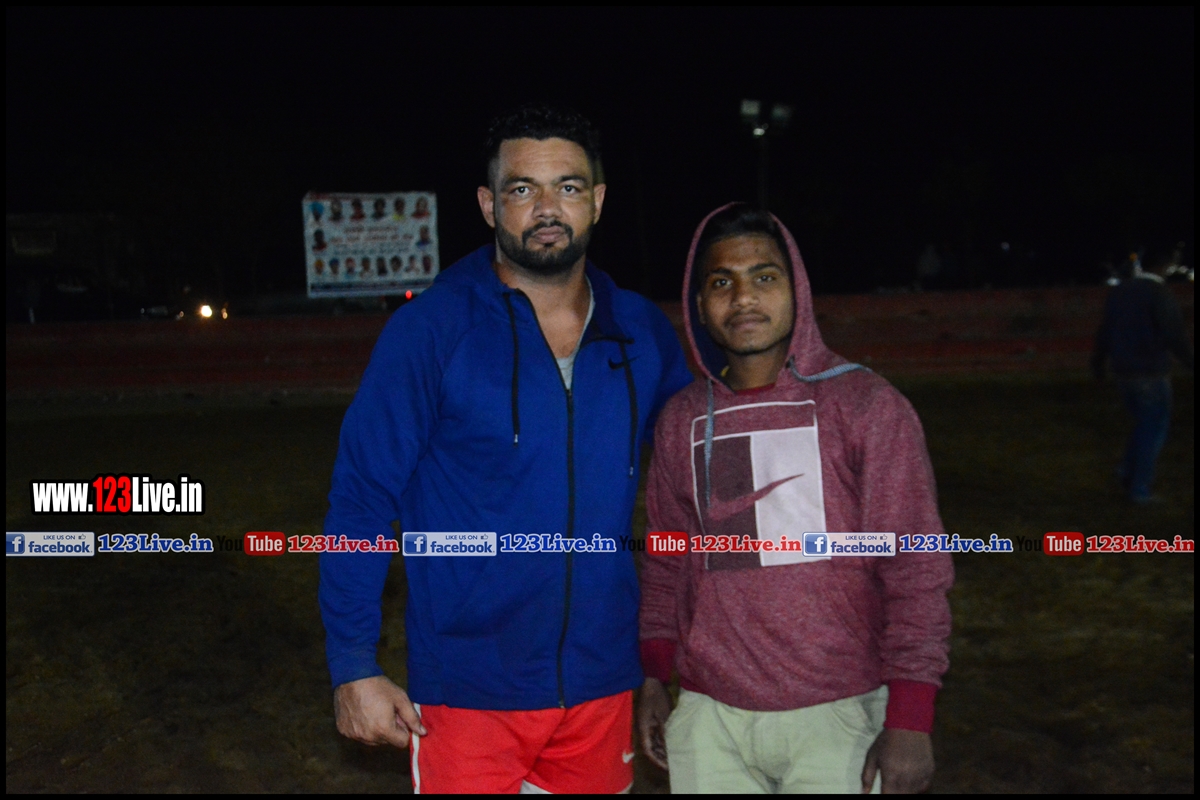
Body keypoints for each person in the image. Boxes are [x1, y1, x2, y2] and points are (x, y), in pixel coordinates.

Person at [319, 104, 693, 794]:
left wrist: (664, 665)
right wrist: (352, 664)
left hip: (602, 683)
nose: (547, 208)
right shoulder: (429, 331)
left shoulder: (642, 332)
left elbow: (696, 485)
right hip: (467, 690)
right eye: (523, 188)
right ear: (490, 205)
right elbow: (362, 500)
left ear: (597, 200)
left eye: (568, 187)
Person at [637, 203, 954, 794]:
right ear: (698, 306)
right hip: (709, 715)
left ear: (797, 290)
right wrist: (654, 675)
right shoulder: (681, 420)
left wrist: (911, 716)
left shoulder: (866, 406)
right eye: (721, 282)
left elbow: (914, 564)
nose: (743, 297)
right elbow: (666, 558)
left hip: (839, 712)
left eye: (764, 276)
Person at [1091, 253, 1194, 503]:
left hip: (1123, 370)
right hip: (1150, 369)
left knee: (1144, 423)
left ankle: (1127, 470)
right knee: (1153, 426)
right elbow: (1174, 334)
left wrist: (1098, 363)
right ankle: (1139, 487)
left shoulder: (1119, 292)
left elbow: (1105, 330)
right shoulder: (1158, 293)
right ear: (1164, 266)